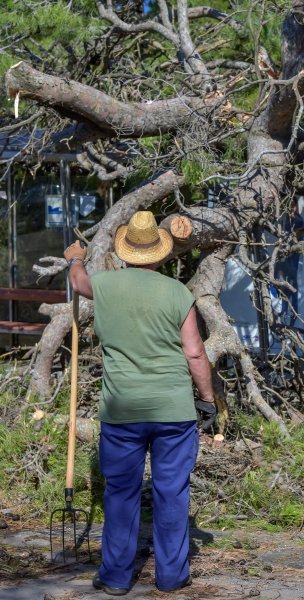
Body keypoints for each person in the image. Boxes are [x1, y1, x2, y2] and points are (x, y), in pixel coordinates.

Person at [64, 211, 216, 597]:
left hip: (121, 411)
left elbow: (78, 282)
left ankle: (116, 576)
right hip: (173, 411)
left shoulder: (105, 285)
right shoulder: (178, 293)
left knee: (120, 493)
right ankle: (171, 576)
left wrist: (75, 258)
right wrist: (208, 399)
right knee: (171, 492)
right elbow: (195, 354)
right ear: (160, 254)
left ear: (125, 251)